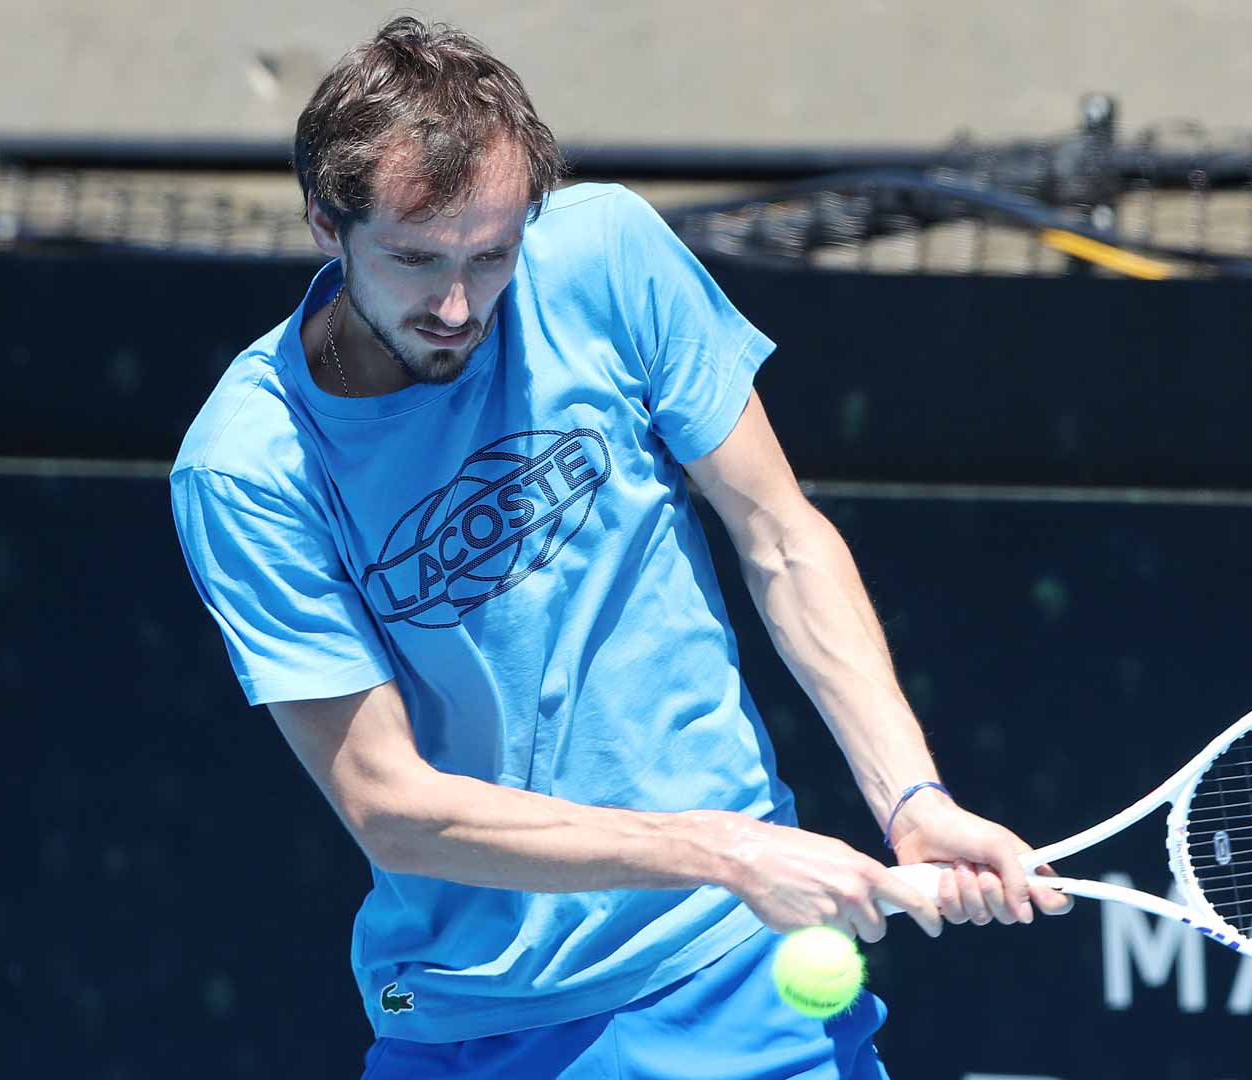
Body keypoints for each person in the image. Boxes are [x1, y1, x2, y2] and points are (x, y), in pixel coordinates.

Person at [169, 17, 1068, 1078]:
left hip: (735, 977)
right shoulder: (247, 467)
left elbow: (779, 536)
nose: (458, 305)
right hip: (480, 1018)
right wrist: (726, 852)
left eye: (492, 255)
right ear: (327, 224)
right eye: (415, 260)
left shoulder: (607, 252)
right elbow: (392, 808)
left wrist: (914, 802)